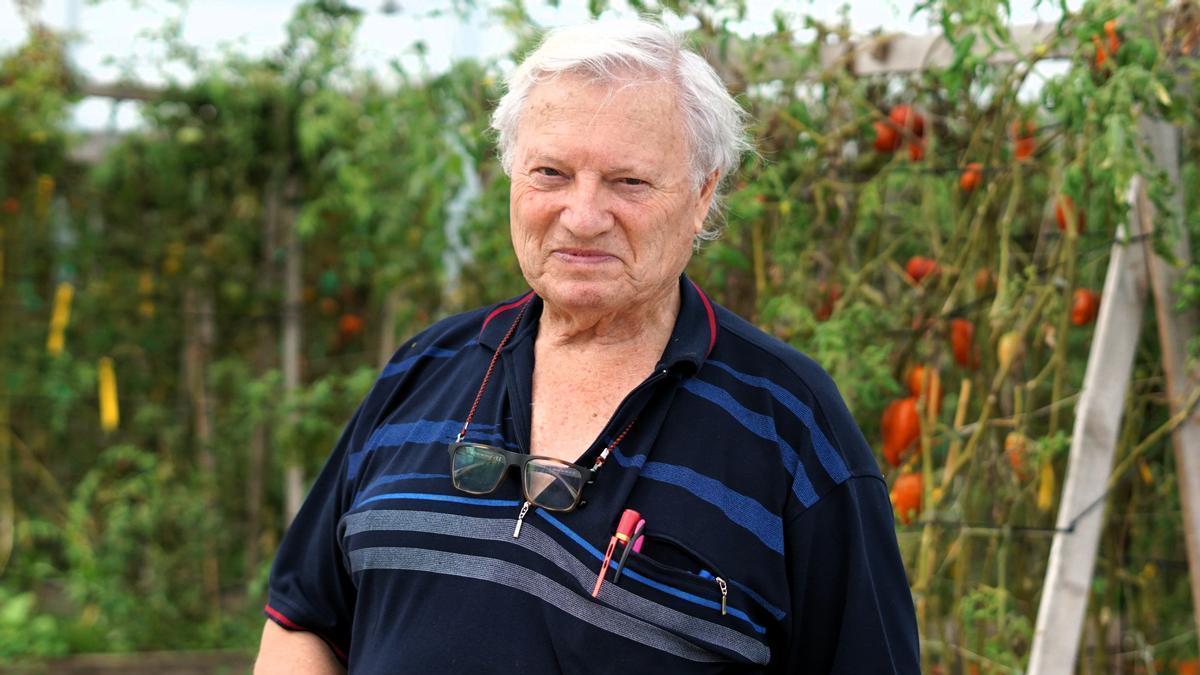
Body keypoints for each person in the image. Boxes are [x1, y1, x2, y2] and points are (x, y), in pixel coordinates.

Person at [255, 19, 919, 674]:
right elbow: (303, 621)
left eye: (628, 181)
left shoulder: (792, 429)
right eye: (551, 173)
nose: (583, 215)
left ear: (702, 193)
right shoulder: (423, 370)